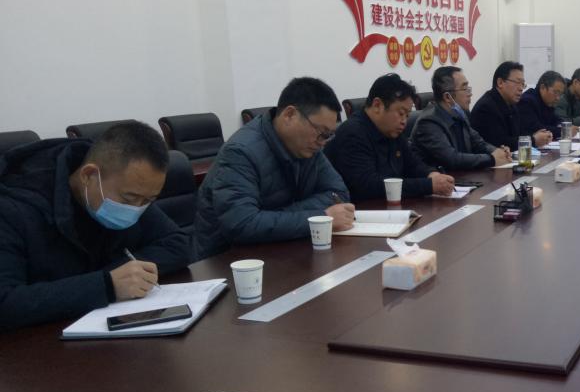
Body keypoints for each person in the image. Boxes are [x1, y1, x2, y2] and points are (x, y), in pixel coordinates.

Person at [0, 121, 192, 330]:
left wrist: (124, 275)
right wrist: (106, 284)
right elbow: (6, 302)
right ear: (88, 175)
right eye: (129, 199)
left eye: (148, 201)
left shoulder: (131, 190)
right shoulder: (13, 209)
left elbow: (178, 243)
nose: (136, 209)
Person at [193, 77, 355, 260]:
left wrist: (278, 216)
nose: (323, 142)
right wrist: (320, 217)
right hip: (228, 262)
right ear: (289, 115)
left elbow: (338, 194)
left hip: (283, 249)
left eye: (329, 135)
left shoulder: (309, 147)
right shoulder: (240, 153)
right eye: (321, 133)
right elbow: (242, 224)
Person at [326, 73, 454, 202]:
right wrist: (428, 185)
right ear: (377, 105)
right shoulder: (352, 133)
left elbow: (412, 164)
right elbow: (369, 186)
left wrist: (431, 174)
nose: (404, 121)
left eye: (407, 115)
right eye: (401, 113)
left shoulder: (391, 131)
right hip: (360, 208)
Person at [411, 66, 512, 171]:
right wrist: (491, 159)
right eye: (464, 89)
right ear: (447, 97)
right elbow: (452, 158)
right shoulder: (428, 123)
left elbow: (479, 143)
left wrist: (497, 152)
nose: (470, 93)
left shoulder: (460, 114)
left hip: (463, 177)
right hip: (441, 178)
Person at [469, 61, 552, 150]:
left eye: (522, 84)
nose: (521, 88)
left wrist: (535, 136)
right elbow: (500, 144)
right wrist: (533, 140)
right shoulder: (486, 108)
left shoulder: (511, 105)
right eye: (517, 82)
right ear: (500, 82)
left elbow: (518, 135)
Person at [518, 71, 568, 140]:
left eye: (560, 94)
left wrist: (564, 126)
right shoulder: (527, 101)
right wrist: (564, 131)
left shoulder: (548, 102)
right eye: (556, 92)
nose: (558, 98)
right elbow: (537, 128)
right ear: (543, 87)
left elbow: (556, 120)